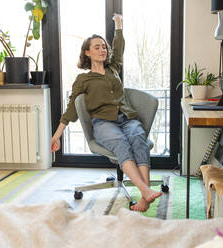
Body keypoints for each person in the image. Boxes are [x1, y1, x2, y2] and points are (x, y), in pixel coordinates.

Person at [50, 14, 162, 212]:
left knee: (139, 139)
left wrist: (118, 25)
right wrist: (57, 135)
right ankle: (145, 190)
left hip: (127, 118)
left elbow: (118, 48)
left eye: (104, 46)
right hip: (103, 123)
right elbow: (70, 110)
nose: (102, 49)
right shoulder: (82, 80)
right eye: (97, 47)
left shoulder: (113, 69)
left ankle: (144, 199)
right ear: (87, 53)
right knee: (121, 144)